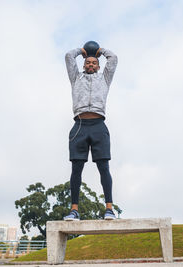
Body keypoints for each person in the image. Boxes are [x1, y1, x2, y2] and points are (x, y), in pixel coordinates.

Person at [63, 44, 118, 221]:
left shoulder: (104, 79)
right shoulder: (76, 78)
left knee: (104, 167)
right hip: (79, 126)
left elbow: (113, 58)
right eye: (88, 63)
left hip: (98, 125)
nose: (91, 65)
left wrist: (100, 50)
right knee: (76, 169)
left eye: (94, 63)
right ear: (84, 65)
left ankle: (109, 208)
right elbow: (68, 57)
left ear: (99, 66)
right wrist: (81, 51)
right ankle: (74, 210)